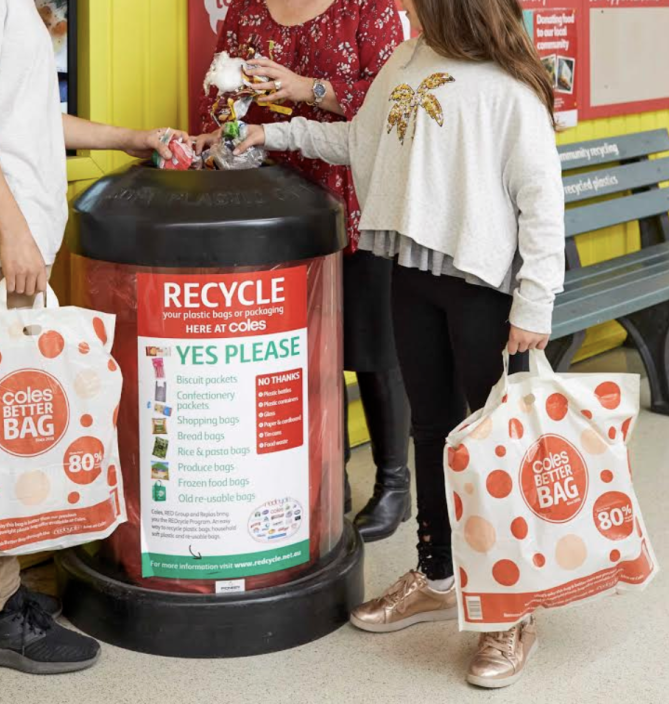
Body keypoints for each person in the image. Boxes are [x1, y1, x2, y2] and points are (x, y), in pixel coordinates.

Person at [234, 0, 565, 688]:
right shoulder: (407, 60)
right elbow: (359, 140)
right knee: (432, 434)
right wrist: (275, 137)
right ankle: (438, 574)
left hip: (486, 288)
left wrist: (535, 303)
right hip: (410, 273)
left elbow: (542, 199)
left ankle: (513, 608)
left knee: (495, 446)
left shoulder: (507, 81)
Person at [0, 0, 186, 674]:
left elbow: (27, 120)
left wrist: (130, 138)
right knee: (5, 432)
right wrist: (14, 230)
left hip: (2, 241)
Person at [196, 0, 414, 542]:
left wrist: (306, 88)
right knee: (301, 356)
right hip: (270, 210)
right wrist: (218, 128)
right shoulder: (246, 9)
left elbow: (393, 105)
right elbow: (221, 98)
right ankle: (324, 480)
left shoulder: (371, 9)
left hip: (354, 204)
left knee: (372, 349)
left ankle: (394, 484)